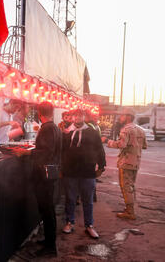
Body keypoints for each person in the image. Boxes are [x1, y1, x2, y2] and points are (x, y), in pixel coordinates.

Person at [13, 102, 62, 257]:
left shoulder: (47, 128)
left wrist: (26, 153)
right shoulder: (54, 127)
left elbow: (45, 152)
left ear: (39, 113)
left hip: (44, 176)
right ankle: (48, 241)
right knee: (47, 209)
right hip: (49, 174)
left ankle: (50, 247)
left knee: (47, 210)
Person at [61, 109, 106, 239]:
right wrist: (60, 168)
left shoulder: (92, 132)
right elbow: (61, 151)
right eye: (75, 115)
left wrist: (101, 166)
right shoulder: (66, 132)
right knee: (70, 199)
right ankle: (69, 223)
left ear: (84, 117)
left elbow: (99, 149)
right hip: (70, 171)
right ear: (72, 117)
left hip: (88, 171)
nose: (77, 118)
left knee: (88, 200)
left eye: (80, 115)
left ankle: (89, 225)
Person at [102, 108, 147, 220]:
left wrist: (108, 141)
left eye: (122, 116)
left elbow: (121, 145)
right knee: (131, 185)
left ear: (128, 116)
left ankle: (130, 212)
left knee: (126, 186)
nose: (120, 118)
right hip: (136, 162)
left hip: (126, 162)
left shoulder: (126, 129)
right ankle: (131, 209)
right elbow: (145, 146)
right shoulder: (140, 129)